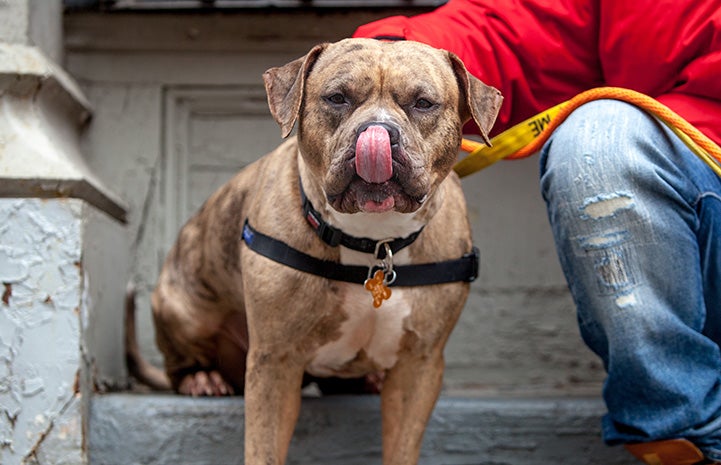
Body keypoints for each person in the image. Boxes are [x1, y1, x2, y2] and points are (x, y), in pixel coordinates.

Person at [353, 1, 721, 464]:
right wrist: (392, 56)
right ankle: (692, 446)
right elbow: (524, 28)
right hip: (698, 159)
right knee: (597, 140)